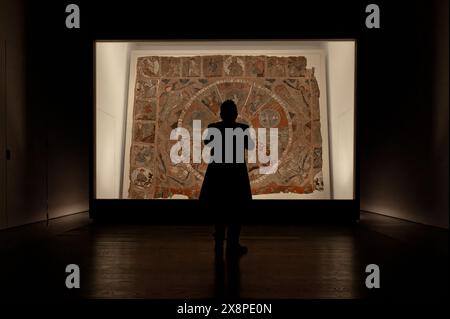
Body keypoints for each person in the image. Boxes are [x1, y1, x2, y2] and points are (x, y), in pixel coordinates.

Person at [199, 100, 254, 256]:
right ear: (236, 114)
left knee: (219, 206)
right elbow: (250, 146)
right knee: (236, 209)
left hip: (218, 171)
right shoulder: (243, 129)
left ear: (221, 114)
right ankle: (233, 243)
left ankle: (219, 240)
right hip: (236, 172)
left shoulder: (213, 128)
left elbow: (207, 143)